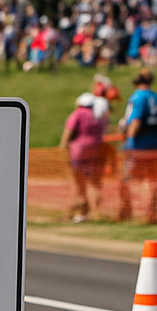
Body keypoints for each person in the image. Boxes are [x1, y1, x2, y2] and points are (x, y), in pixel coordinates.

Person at [117, 68, 157, 223]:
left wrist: (128, 141)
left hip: (139, 142)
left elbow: (135, 121)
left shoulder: (138, 96)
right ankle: (151, 213)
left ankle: (126, 210)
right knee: (151, 179)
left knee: (125, 177)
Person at [61, 93, 107, 221]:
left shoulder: (77, 114)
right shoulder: (96, 116)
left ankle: (80, 213)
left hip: (78, 152)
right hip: (96, 151)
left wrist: (63, 146)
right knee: (94, 183)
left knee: (79, 184)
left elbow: (68, 131)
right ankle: (96, 213)